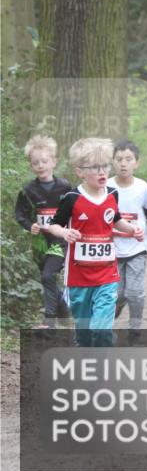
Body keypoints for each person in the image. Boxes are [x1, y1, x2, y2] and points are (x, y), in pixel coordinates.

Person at [48, 138, 143, 347]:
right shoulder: (72, 198)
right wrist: (65, 232)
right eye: (95, 167)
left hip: (106, 274)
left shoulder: (112, 194)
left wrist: (132, 229)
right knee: (84, 335)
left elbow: (115, 220)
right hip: (79, 277)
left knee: (100, 329)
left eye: (106, 166)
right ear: (80, 171)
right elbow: (53, 225)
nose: (103, 172)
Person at [15, 135, 72, 328]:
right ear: (31, 166)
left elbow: (75, 210)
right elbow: (21, 214)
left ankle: (49, 323)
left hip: (59, 242)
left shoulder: (64, 186)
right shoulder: (28, 190)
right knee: (47, 279)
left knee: (48, 277)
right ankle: (63, 310)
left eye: (44, 161)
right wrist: (29, 225)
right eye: (35, 163)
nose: (40, 166)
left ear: (53, 162)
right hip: (40, 244)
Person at [107, 140, 147, 343]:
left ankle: (135, 328)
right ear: (112, 162)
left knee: (134, 292)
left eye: (128, 159)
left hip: (137, 246)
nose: (123, 164)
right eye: (119, 159)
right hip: (113, 248)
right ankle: (116, 309)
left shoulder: (142, 187)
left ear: (136, 162)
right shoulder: (107, 186)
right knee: (117, 294)